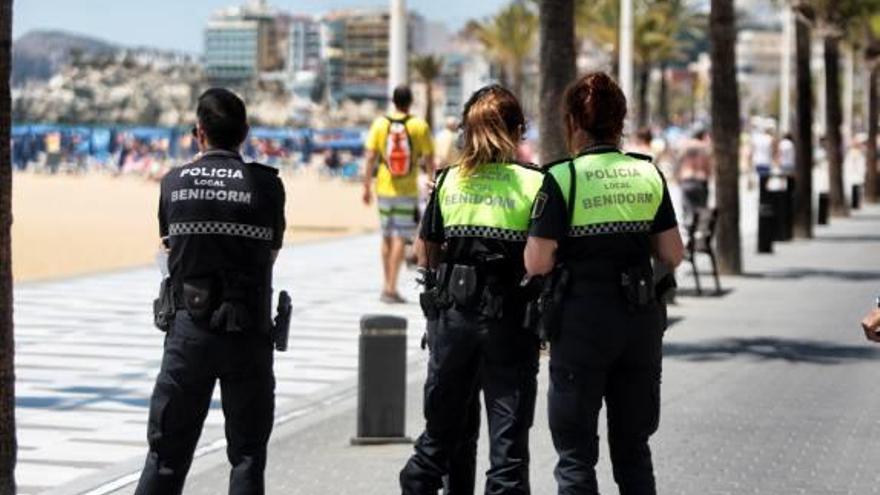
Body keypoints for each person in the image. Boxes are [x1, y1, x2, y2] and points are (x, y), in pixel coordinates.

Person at [524, 72, 684, 495]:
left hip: (581, 323)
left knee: (576, 455)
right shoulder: (647, 174)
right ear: (620, 121)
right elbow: (673, 253)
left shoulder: (561, 178)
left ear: (573, 121)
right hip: (639, 321)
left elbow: (538, 262)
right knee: (633, 450)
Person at [135, 88, 286, 495]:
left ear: (198, 132)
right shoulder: (268, 186)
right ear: (245, 132)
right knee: (248, 457)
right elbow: (271, 252)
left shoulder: (173, 183)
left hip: (188, 331)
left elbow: (169, 249)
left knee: (166, 456)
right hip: (248, 328)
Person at [400, 85, 543, 494]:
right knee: (508, 453)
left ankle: (417, 483)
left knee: (440, 440)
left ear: (467, 132)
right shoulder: (535, 184)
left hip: (452, 322)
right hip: (510, 326)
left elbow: (423, 254)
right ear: (517, 131)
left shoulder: (447, 183)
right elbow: (543, 260)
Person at [363, 85, 435, 304]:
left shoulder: (380, 124)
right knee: (399, 237)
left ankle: (386, 285)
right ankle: (391, 288)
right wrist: (433, 183)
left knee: (386, 236)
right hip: (406, 189)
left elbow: (370, 157)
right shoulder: (418, 126)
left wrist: (366, 185)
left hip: (383, 187)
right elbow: (430, 159)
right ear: (410, 102)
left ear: (393, 101)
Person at [676, 129, 712, 222]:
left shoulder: (684, 146)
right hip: (701, 180)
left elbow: (678, 163)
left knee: (687, 212)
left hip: (686, 179)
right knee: (701, 213)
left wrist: (678, 179)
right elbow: (708, 166)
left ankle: (689, 232)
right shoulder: (704, 146)